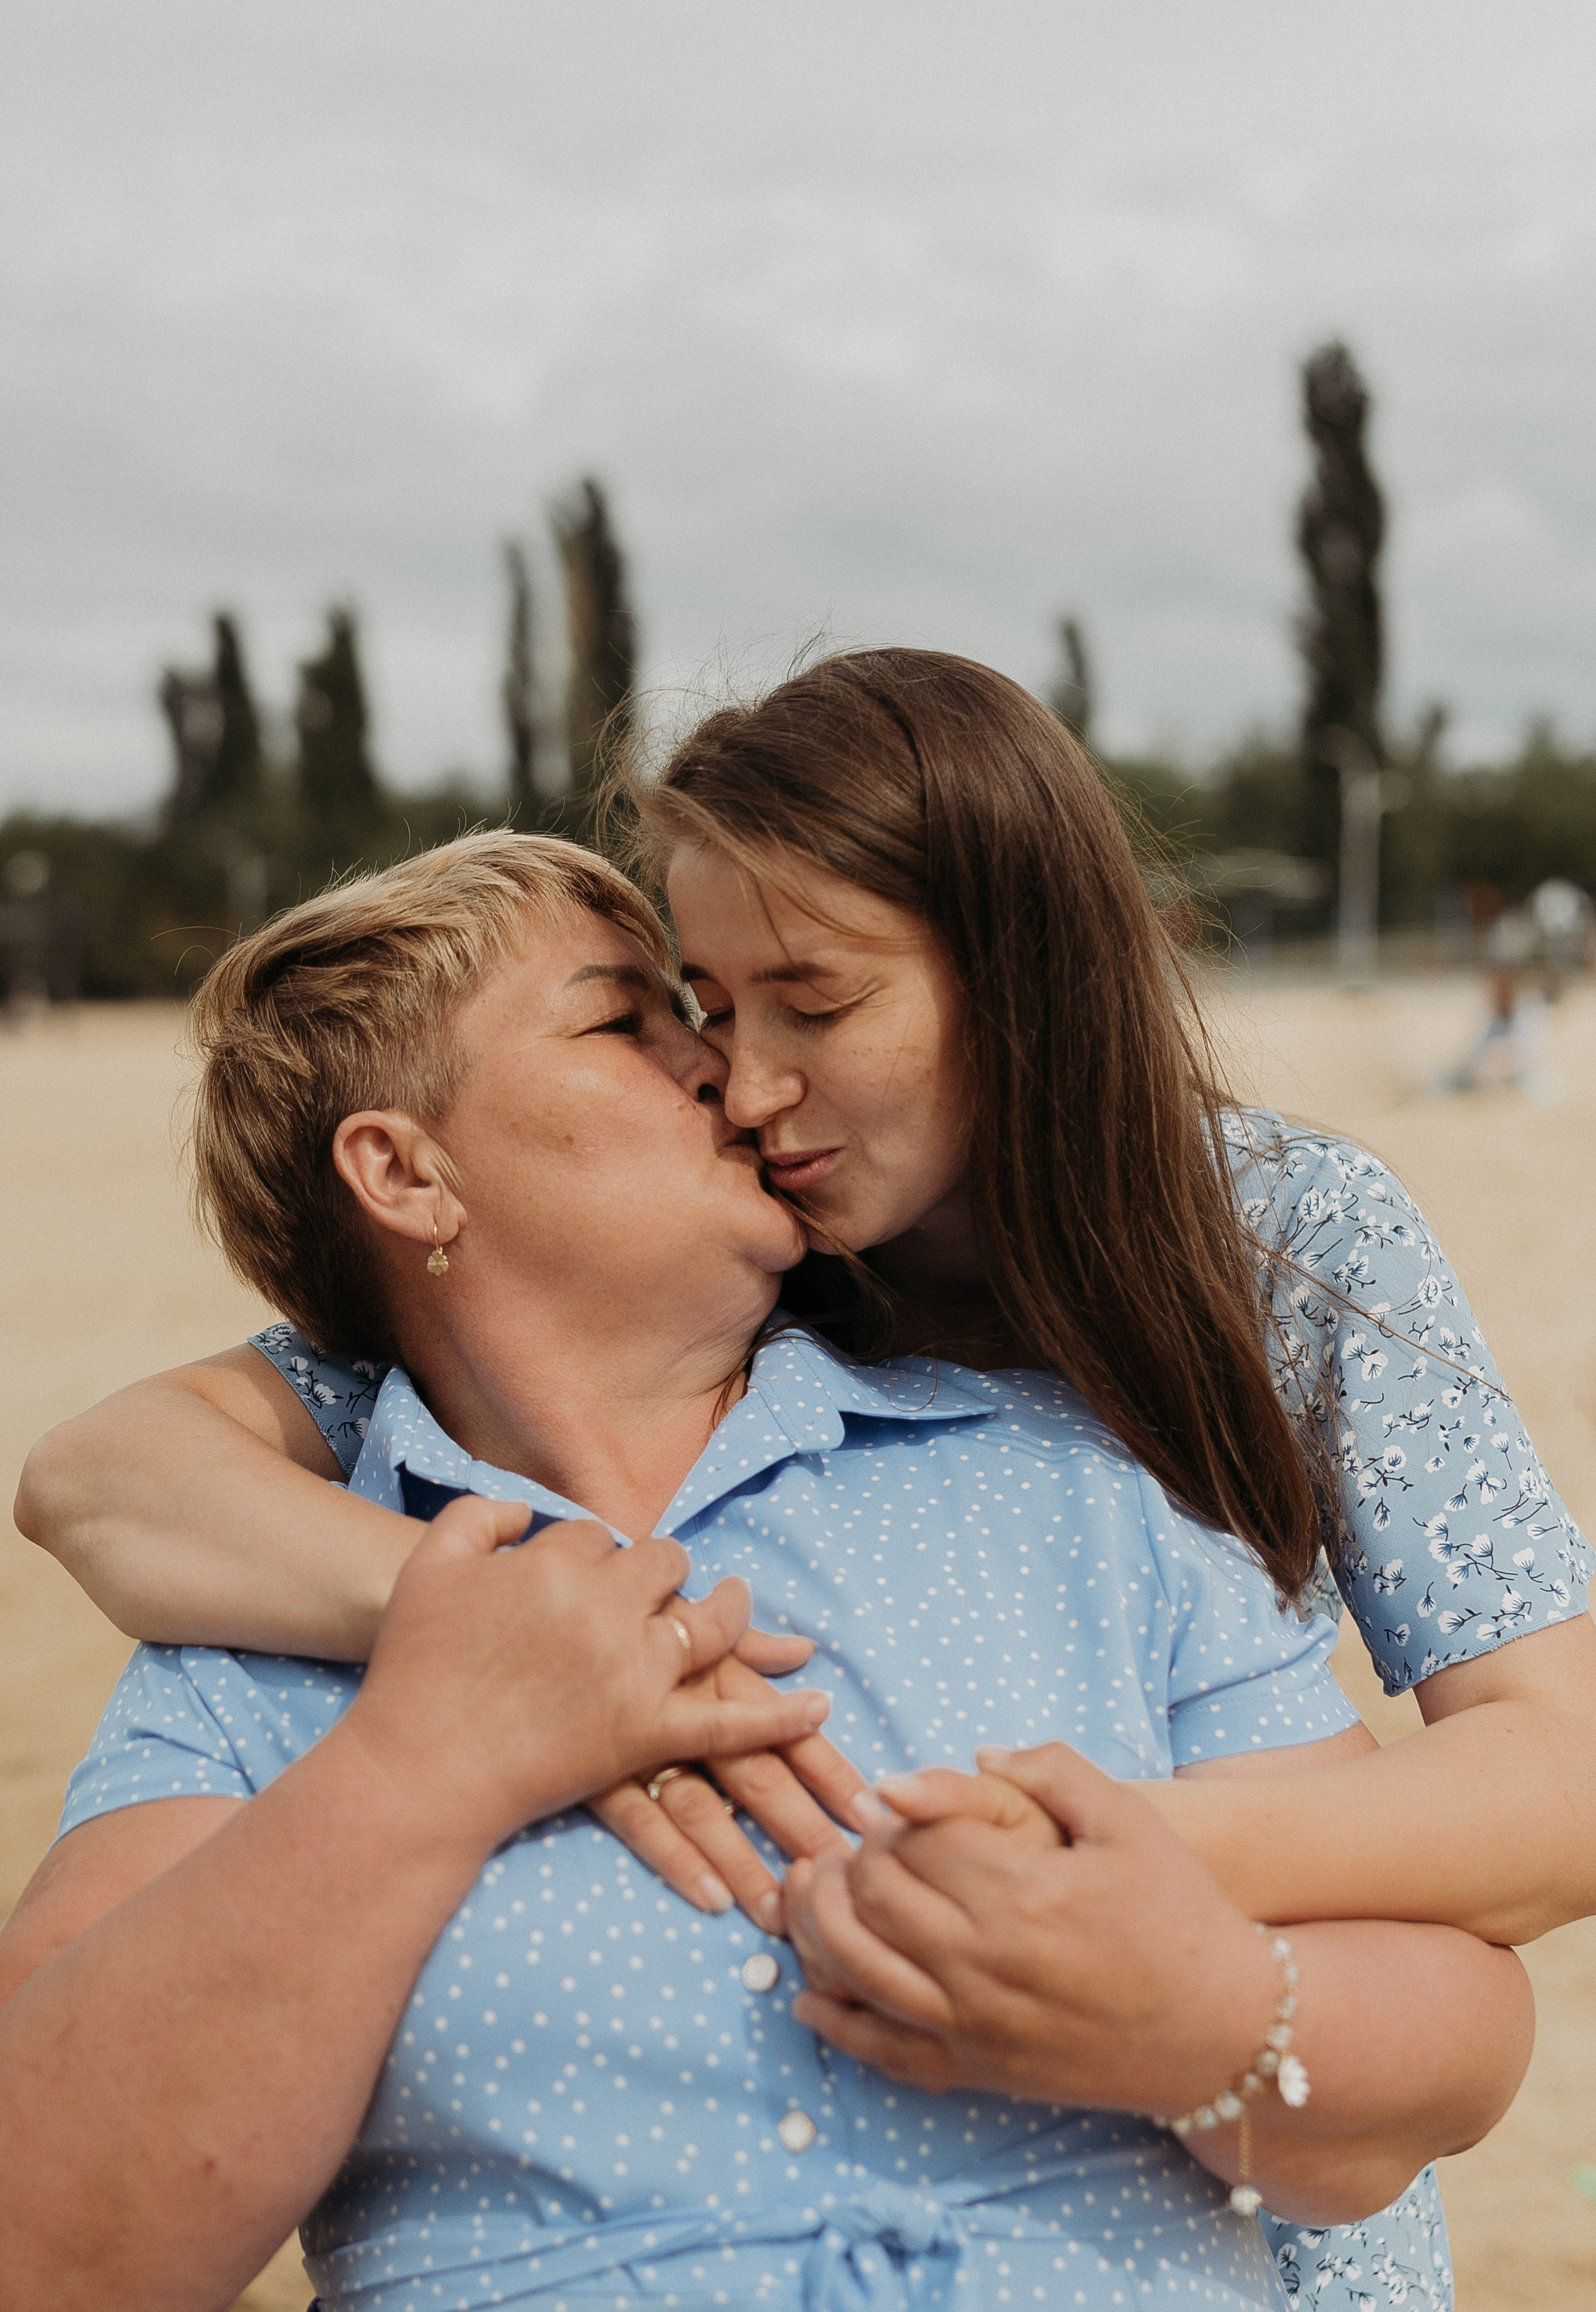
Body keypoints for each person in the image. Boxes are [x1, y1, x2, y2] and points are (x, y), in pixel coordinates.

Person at [19, 648, 1593, 2301]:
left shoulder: (1266, 1250)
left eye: (817, 1005)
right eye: (694, 1009)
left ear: (1014, 972)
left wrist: (1084, 1861)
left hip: (1272, 2199)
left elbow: (1555, 1786)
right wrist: (491, 1648)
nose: (743, 1082)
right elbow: (101, 1474)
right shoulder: (682, 1279)